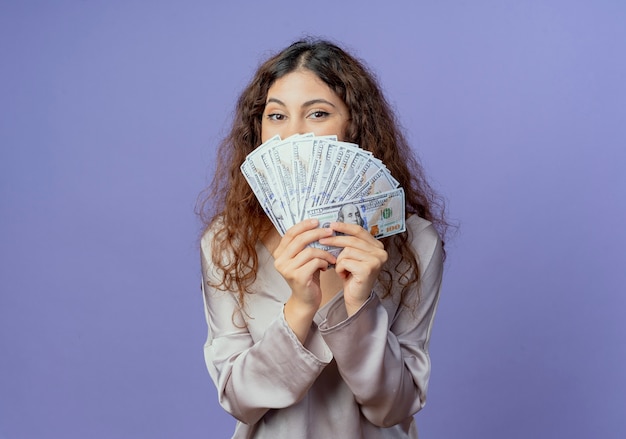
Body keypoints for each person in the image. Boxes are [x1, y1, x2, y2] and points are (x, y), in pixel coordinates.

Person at [197, 38, 448, 438]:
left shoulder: (414, 243)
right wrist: (299, 306)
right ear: (258, 130)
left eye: (317, 113)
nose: (293, 136)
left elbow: (395, 407)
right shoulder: (227, 243)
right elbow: (240, 400)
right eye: (276, 116)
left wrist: (359, 305)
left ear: (355, 125)